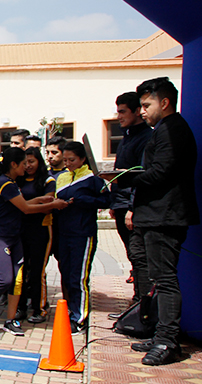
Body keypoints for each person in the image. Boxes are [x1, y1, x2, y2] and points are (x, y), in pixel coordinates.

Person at [108, 77, 198, 365]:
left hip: (165, 215)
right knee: (159, 279)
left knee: (166, 280)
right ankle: (160, 332)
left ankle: (168, 341)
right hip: (156, 214)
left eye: (146, 105)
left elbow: (161, 173)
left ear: (165, 102)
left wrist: (123, 177)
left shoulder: (173, 130)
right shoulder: (163, 130)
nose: (142, 111)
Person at [0, 148, 67, 335]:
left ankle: (11, 320)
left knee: (17, 280)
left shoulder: (12, 182)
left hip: (14, 237)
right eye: (24, 163)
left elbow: (21, 203)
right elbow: (25, 208)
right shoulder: (5, 183)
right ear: (14, 165)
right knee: (5, 279)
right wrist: (53, 205)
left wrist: (41, 199)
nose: (27, 166)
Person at [55, 140, 109, 335]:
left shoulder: (92, 179)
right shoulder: (61, 178)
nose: (68, 163)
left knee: (79, 277)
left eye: (72, 159)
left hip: (83, 234)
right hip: (63, 234)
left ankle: (80, 317)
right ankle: (70, 311)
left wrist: (84, 201)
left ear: (82, 159)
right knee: (67, 275)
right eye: (65, 159)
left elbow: (107, 200)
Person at [107, 91, 152, 317]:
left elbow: (141, 177)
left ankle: (143, 309)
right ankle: (137, 305)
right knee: (133, 255)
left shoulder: (146, 138)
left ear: (136, 112)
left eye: (123, 111)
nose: (119, 116)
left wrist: (132, 208)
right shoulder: (127, 136)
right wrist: (115, 202)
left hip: (134, 208)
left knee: (139, 256)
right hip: (122, 204)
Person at [17, 147, 56, 324]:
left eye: (31, 161)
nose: (28, 165)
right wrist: (34, 202)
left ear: (39, 161)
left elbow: (49, 203)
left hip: (41, 229)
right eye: (25, 162)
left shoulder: (47, 180)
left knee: (37, 271)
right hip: (20, 229)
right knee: (21, 270)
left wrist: (25, 205)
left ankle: (40, 308)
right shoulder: (18, 180)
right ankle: (21, 307)